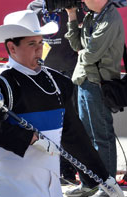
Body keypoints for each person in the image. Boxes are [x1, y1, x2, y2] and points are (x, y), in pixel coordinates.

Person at [0, 10, 124, 197]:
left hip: (50, 186)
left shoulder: (56, 81)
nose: (39, 49)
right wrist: (30, 138)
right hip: (14, 186)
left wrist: (102, 176)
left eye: (40, 42)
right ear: (12, 48)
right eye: (31, 43)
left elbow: (73, 133)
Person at [64, 0, 125, 197]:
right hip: (83, 80)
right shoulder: (91, 16)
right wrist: (72, 16)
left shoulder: (111, 17)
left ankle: (110, 188)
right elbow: (76, 45)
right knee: (86, 137)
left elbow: (91, 53)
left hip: (98, 82)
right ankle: (90, 184)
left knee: (102, 136)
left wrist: (83, 53)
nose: (81, 1)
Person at [27, 0, 85, 184]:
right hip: (42, 72)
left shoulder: (72, 4)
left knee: (69, 123)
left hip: (69, 73)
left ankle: (69, 171)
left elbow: (81, 33)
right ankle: (49, 168)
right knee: (45, 123)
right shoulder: (33, 8)